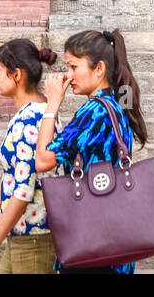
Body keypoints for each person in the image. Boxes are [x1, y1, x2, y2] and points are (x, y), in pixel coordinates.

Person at [34, 29, 147, 274]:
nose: (68, 75)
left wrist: (52, 104)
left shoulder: (94, 112)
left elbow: (43, 160)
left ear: (99, 69)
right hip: (116, 241)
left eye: (74, 67)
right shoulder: (118, 103)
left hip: (90, 245)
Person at [0, 38, 60, 275]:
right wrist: (5, 181)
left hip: (33, 238)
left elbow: (23, 192)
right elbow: (26, 168)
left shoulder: (30, 120)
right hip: (25, 234)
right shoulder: (39, 112)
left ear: (17, 75)